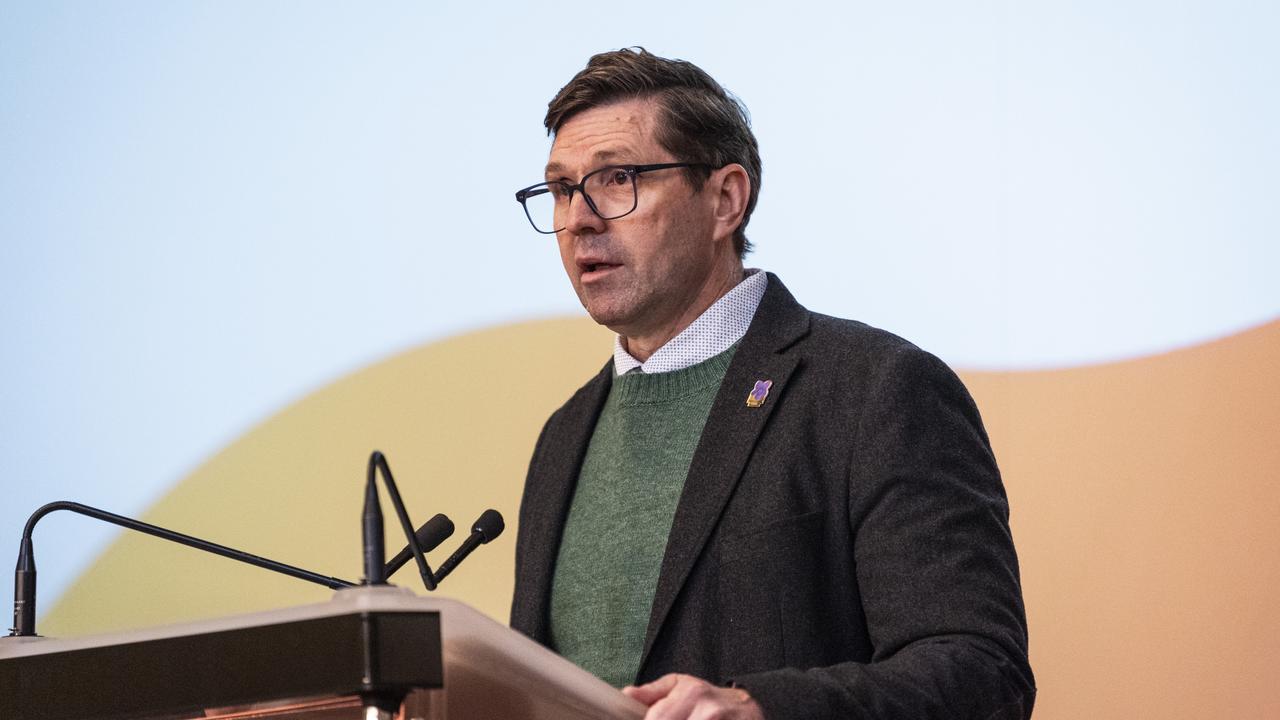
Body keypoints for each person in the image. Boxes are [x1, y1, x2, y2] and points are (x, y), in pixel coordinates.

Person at [509, 48, 1035, 720]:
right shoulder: (564, 435)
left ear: (726, 199)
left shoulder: (874, 391)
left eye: (618, 178)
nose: (580, 217)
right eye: (560, 189)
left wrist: (761, 708)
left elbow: (980, 675)